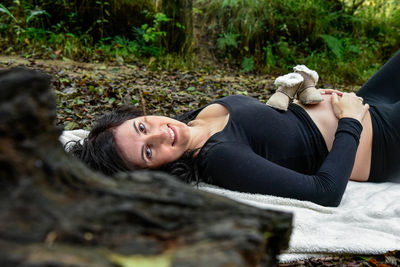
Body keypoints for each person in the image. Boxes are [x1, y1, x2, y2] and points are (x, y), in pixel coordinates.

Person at [69, 51, 400, 207]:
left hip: (367, 100)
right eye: (148, 151)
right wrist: (350, 122)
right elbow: (324, 192)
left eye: (142, 126)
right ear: (154, 172)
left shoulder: (190, 120)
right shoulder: (218, 158)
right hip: (386, 140)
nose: (160, 134)